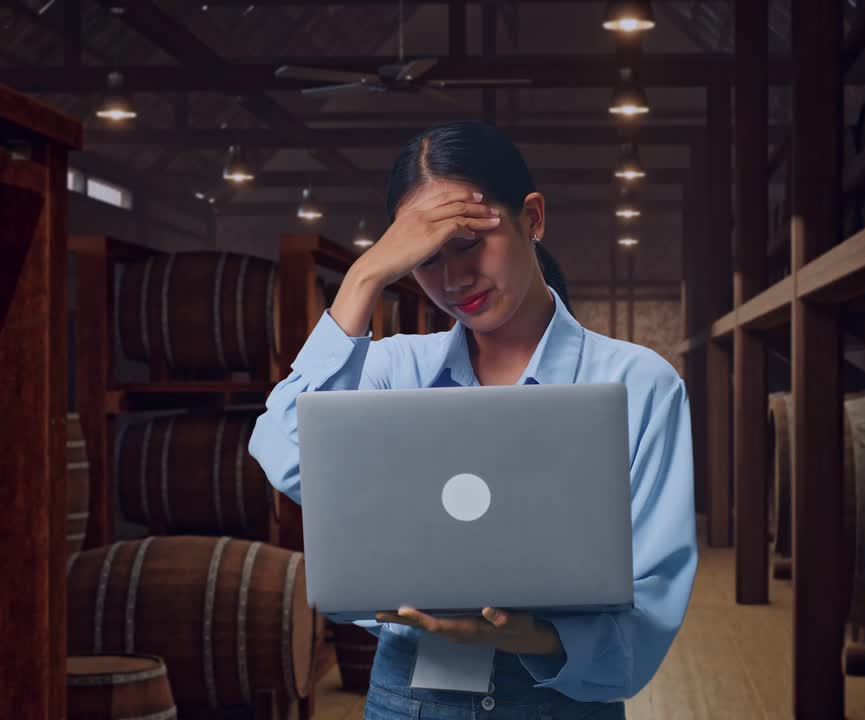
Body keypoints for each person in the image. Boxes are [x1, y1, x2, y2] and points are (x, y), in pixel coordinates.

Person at [249, 120, 697, 720]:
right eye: (423, 260)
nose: (454, 280)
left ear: (532, 218)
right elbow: (282, 446)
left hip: (561, 705)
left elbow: (650, 609)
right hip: (405, 702)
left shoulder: (639, 384)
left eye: (468, 244)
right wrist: (363, 278)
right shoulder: (392, 370)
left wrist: (530, 636)